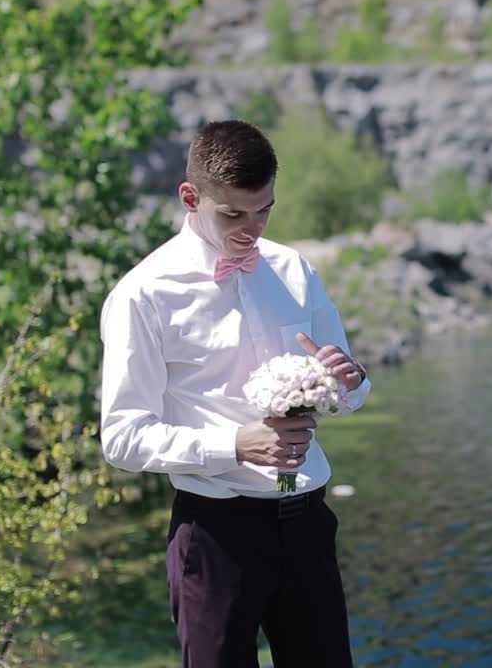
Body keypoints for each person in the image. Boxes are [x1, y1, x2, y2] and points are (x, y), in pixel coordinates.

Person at [98, 119, 370, 667]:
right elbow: (122, 437)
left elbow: (351, 391)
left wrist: (351, 380)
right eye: (233, 214)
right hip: (215, 534)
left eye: (264, 209)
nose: (252, 228)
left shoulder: (294, 270)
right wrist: (236, 445)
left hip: (307, 524)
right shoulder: (144, 295)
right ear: (190, 197)